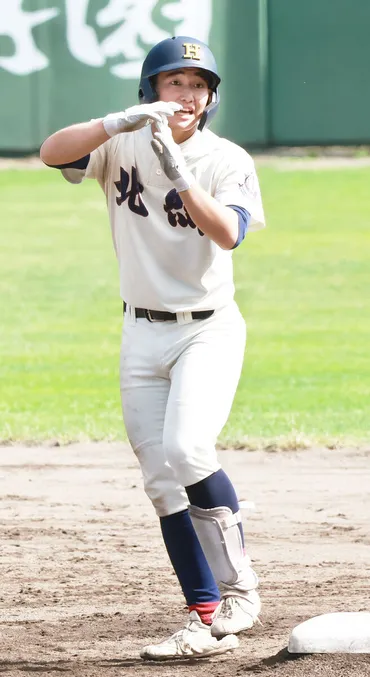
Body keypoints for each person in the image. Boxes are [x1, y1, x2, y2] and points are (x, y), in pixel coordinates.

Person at [40, 35, 265, 660]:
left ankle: (240, 588)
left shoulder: (226, 159)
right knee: (162, 483)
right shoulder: (121, 141)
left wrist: (181, 173)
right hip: (140, 331)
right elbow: (50, 153)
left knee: (188, 448)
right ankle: (204, 615)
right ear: (151, 89)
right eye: (175, 83)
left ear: (211, 97)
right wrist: (117, 123)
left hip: (206, 328)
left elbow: (228, 234)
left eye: (199, 85)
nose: (187, 95)